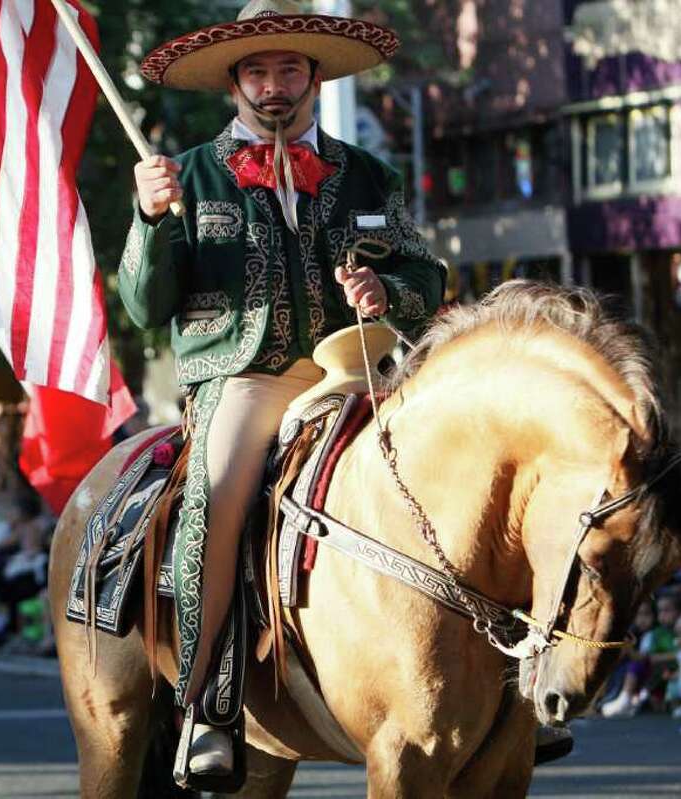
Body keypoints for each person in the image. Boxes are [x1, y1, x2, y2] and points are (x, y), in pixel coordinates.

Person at [122, 0, 444, 776]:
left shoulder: (369, 174)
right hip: (243, 377)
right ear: (233, 84)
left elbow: (426, 277)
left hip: (359, 369)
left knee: (461, 474)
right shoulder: (187, 175)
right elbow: (144, 306)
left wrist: (384, 290)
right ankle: (205, 702)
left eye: (289, 68)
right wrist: (148, 217)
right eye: (258, 71)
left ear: (315, 75)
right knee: (223, 486)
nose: (274, 85)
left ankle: (510, 691)